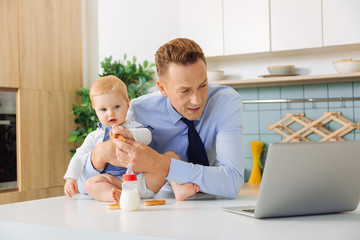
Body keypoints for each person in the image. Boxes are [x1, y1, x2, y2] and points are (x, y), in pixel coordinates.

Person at [87, 38, 245, 200]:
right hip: (162, 200)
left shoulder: (225, 102)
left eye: (203, 85)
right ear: (162, 88)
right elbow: (83, 186)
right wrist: (98, 155)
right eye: (184, 91)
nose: (197, 100)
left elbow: (232, 182)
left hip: (214, 199)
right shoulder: (137, 111)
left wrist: (160, 164)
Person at [63, 75, 153, 202]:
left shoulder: (133, 127)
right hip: (110, 181)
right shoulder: (95, 136)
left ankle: (178, 187)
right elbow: (80, 156)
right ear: (96, 110)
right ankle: (116, 196)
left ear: (127, 104)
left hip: (135, 180)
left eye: (116, 107)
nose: (110, 113)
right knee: (91, 185)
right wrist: (71, 178)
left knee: (167, 161)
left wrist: (128, 133)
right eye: (103, 109)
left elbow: (147, 136)